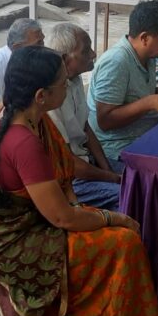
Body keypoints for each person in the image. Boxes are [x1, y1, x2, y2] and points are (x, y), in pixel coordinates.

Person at [0, 45, 158, 316]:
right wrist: (114, 218)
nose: (68, 88)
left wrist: (79, 205)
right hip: (9, 240)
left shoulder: (15, 113)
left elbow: (62, 178)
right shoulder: (22, 141)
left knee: (113, 230)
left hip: (26, 218)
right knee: (125, 242)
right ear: (42, 96)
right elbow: (62, 218)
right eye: (63, 83)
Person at [88, 0, 158, 167]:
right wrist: (150, 102)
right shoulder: (117, 62)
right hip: (118, 151)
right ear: (144, 38)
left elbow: (135, 92)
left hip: (146, 137)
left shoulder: (148, 57)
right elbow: (105, 120)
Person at [45, 23, 121, 210]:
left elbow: (85, 129)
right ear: (65, 59)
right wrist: (111, 178)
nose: (94, 54)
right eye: (86, 51)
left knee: (144, 177)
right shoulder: (50, 97)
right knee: (131, 194)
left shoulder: (75, 79)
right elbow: (68, 164)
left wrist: (107, 169)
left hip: (86, 163)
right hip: (71, 179)